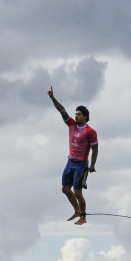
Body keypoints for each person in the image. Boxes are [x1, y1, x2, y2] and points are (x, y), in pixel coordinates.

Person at [47, 86, 98, 225]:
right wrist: (53, 98)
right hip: (70, 162)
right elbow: (62, 110)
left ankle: (83, 216)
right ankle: (76, 210)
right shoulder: (71, 125)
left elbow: (95, 150)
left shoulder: (90, 131)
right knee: (65, 189)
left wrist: (92, 166)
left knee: (77, 192)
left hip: (81, 165)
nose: (76, 116)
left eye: (79, 114)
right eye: (76, 114)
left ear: (85, 117)